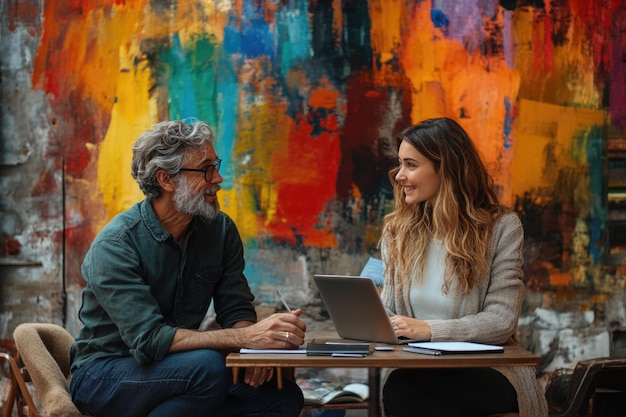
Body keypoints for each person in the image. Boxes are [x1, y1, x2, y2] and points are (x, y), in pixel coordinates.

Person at [69, 119, 306, 417]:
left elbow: (235, 309)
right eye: (206, 169)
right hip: (104, 373)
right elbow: (150, 340)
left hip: (182, 373)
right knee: (206, 368)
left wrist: (256, 348)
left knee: (281, 397)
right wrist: (246, 338)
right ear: (166, 180)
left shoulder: (220, 231)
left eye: (215, 165)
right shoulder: (116, 245)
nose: (218, 178)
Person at [378, 117, 548, 417]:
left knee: (407, 391)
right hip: (415, 371)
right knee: (403, 387)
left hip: (487, 373)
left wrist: (430, 330)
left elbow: (501, 320)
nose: (399, 175)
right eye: (400, 164)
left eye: (411, 165)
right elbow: (390, 312)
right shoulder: (397, 231)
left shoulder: (501, 228)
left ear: (446, 168)